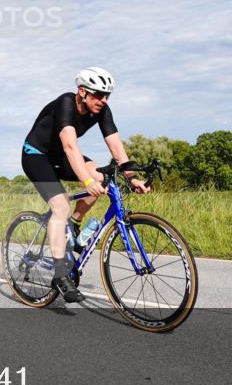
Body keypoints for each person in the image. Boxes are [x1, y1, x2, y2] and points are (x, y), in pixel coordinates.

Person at [21, 67, 150, 302]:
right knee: (61, 206)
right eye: (98, 94)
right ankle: (60, 275)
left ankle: (75, 223)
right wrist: (87, 181)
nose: (103, 100)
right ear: (82, 92)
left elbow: (116, 147)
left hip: (59, 157)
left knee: (102, 177)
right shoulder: (66, 103)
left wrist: (132, 179)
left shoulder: (102, 110)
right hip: (36, 155)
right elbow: (70, 146)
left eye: (107, 95)